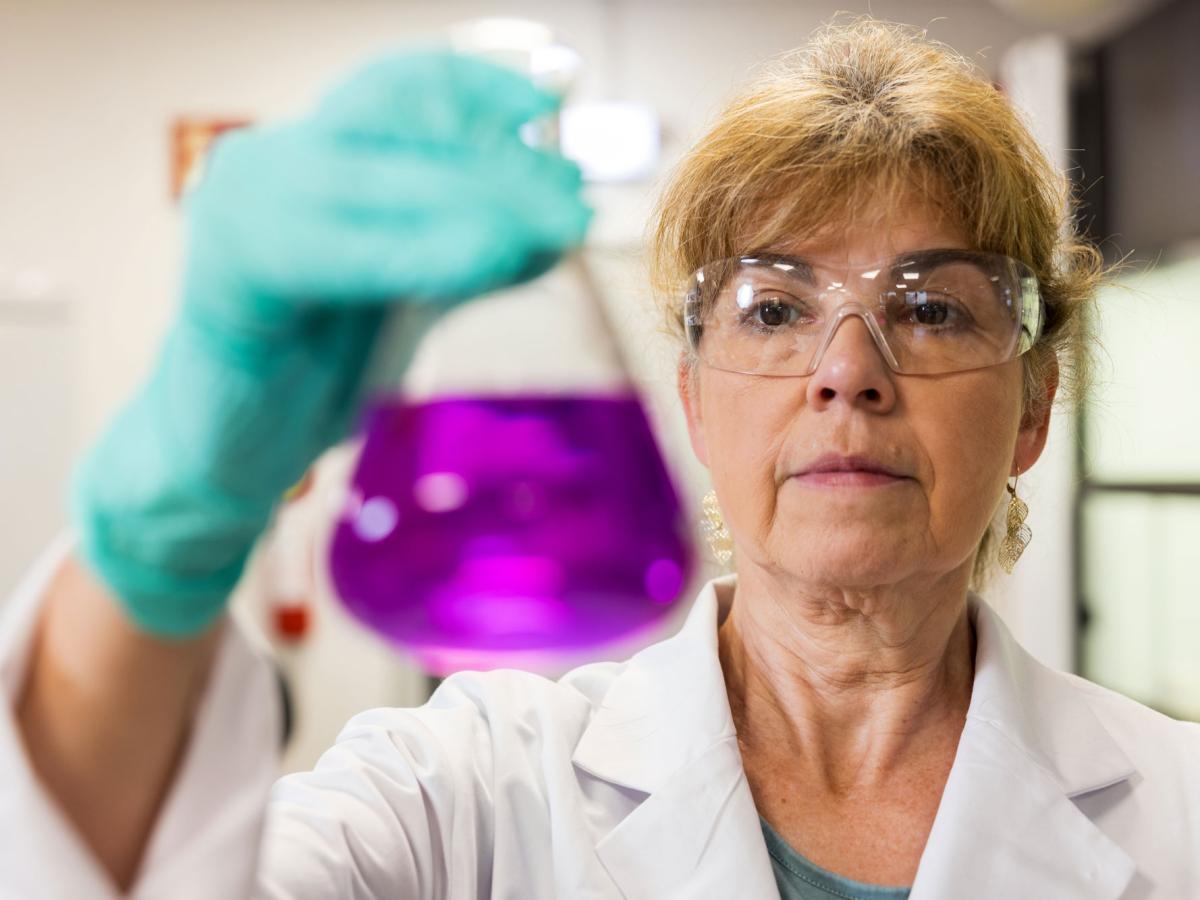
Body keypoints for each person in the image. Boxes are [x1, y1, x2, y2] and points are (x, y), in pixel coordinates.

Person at [4, 17, 1197, 900]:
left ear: (1035, 399)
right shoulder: (465, 790)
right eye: (774, 310)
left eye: (934, 308)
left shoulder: (1180, 817)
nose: (851, 370)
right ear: (689, 395)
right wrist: (166, 539)